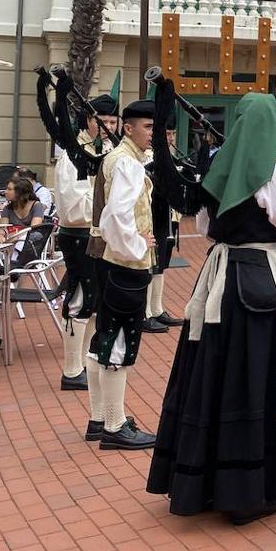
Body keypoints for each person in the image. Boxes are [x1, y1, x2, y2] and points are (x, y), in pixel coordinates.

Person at [147, 92, 276, 524]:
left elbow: (204, 226)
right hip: (262, 277)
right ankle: (249, 491)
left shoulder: (217, 168)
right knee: (258, 379)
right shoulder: (273, 175)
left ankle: (204, 483)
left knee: (213, 375)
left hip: (220, 280)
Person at [86, 100, 159, 451]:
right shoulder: (127, 162)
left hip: (109, 261)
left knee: (104, 337)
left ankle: (100, 418)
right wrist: (137, 245)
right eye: (147, 127)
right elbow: (116, 216)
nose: (152, 134)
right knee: (119, 342)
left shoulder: (117, 158)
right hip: (124, 265)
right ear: (128, 128)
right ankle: (114, 425)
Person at [52, 93, 119, 394]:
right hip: (79, 235)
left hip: (98, 235)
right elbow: (73, 207)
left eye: (111, 121)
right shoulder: (74, 153)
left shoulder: (107, 150)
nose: (107, 126)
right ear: (88, 121)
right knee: (81, 298)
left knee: (94, 303)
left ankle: (83, 361)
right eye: (101, 121)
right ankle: (71, 369)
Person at [142, 113, 186, 335]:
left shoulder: (169, 155)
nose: (170, 138)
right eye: (166, 133)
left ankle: (157, 309)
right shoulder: (148, 155)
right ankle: (145, 313)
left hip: (168, 216)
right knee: (150, 263)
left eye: (172, 134)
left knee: (161, 264)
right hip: (152, 214)